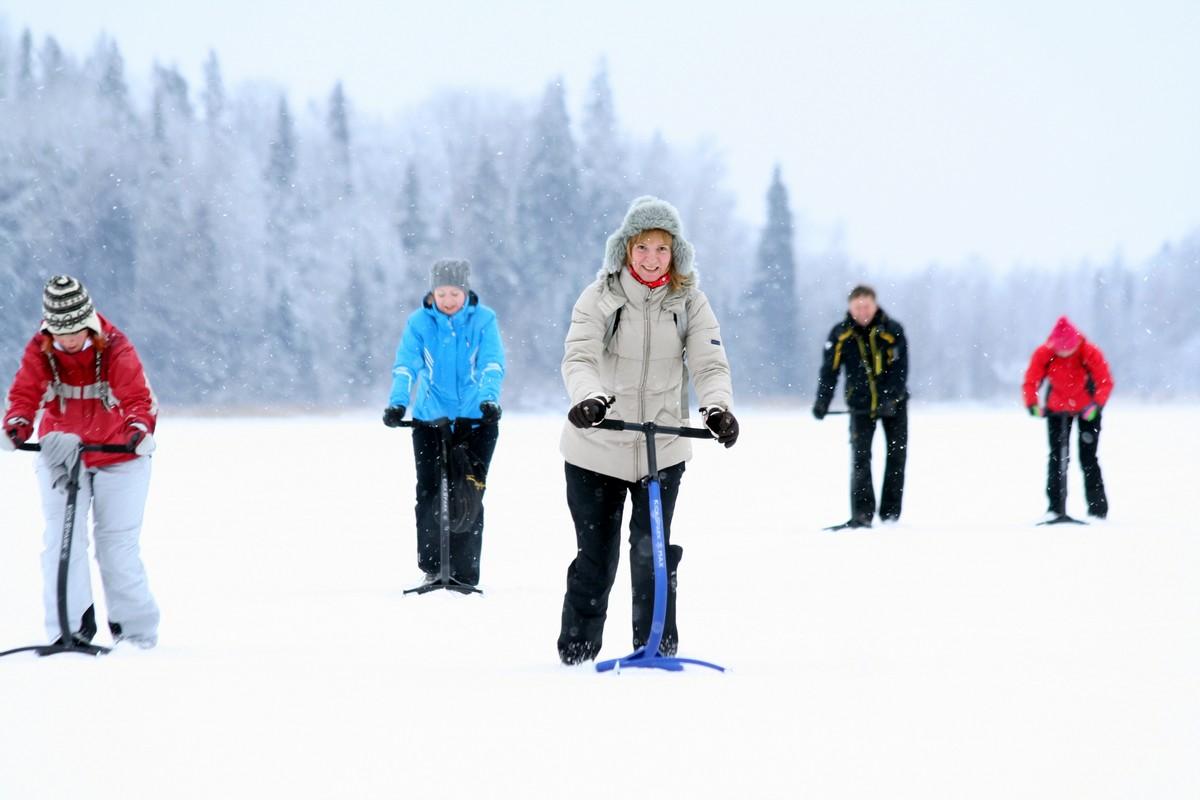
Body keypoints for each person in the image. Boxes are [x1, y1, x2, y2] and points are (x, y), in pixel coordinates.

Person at [556, 195, 738, 665]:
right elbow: (579, 356)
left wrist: (717, 409)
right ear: (626, 250)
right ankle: (576, 652)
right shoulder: (600, 297)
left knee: (651, 553)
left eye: (662, 249)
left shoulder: (690, 302)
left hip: (664, 446)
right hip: (596, 445)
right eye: (643, 248)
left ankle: (655, 647)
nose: (652, 259)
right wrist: (589, 398)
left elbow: (709, 362)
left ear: (675, 253)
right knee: (596, 559)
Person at [1, 276, 159, 648]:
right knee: (61, 541)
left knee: (115, 545)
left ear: (88, 323)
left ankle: (136, 634)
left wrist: (138, 429)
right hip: (63, 452)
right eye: (59, 333)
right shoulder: (40, 350)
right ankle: (68, 630)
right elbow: (25, 393)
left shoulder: (117, 347)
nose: (68, 340)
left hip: (122, 454)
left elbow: (137, 397)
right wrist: (17, 425)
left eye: (74, 331)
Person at [383, 259, 506, 587]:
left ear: (465, 291)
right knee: (430, 491)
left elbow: (492, 363)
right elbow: (406, 366)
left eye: (454, 292)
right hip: (430, 419)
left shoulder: (484, 320)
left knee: (467, 492)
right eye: (442, 293)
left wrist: (489, 399)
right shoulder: (419, 323)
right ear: (432, 292)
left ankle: (463, 573)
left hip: (476, 419)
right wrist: (397, 403)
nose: (448, 300)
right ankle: (434, 567)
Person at [812, 285, 909, 529]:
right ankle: (862, 515)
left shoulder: (892, 330)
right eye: (858, 307)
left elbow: (900, 369)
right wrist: (822, 401)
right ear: (850, 308)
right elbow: (829, 371)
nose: (863, 311)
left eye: (866, 306)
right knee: (860, 458)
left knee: (896, 457)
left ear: (875, 305)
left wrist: (890, 398)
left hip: (894, 406)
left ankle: (890, 516)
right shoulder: (840, 334)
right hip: (860, 406)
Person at [1022, 315, 1113, 520]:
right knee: (1057, 459)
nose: (1063, 352)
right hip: (1056, 410)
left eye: (1067, 348)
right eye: (1059, 349)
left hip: (1087, 410)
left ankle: (1098, 511)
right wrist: (1032, 404)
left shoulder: (1089, 352)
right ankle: (1055, 509)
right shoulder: (1045, 353)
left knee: (1088, 458)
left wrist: (1096, 405)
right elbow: (1031, 380)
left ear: (1075, 343)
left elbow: (1105, 381)